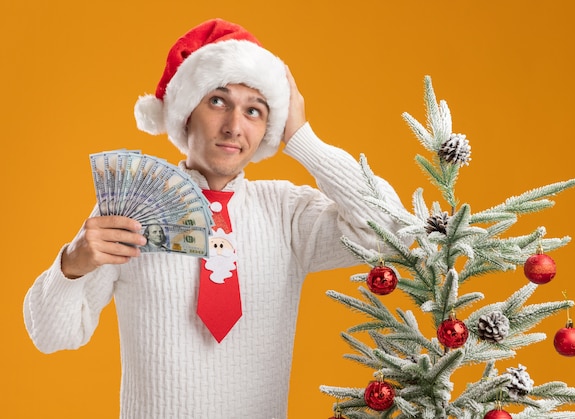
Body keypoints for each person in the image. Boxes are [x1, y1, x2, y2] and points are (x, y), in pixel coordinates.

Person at [23, 18, 405, 418]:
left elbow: (391, 230)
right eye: (218, 101)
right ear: (186, 111)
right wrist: (73, 263)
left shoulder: (287, 213)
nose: (234, 127)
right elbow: (51, 335)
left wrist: (303, 138)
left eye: (254, 111)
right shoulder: (130, 207)